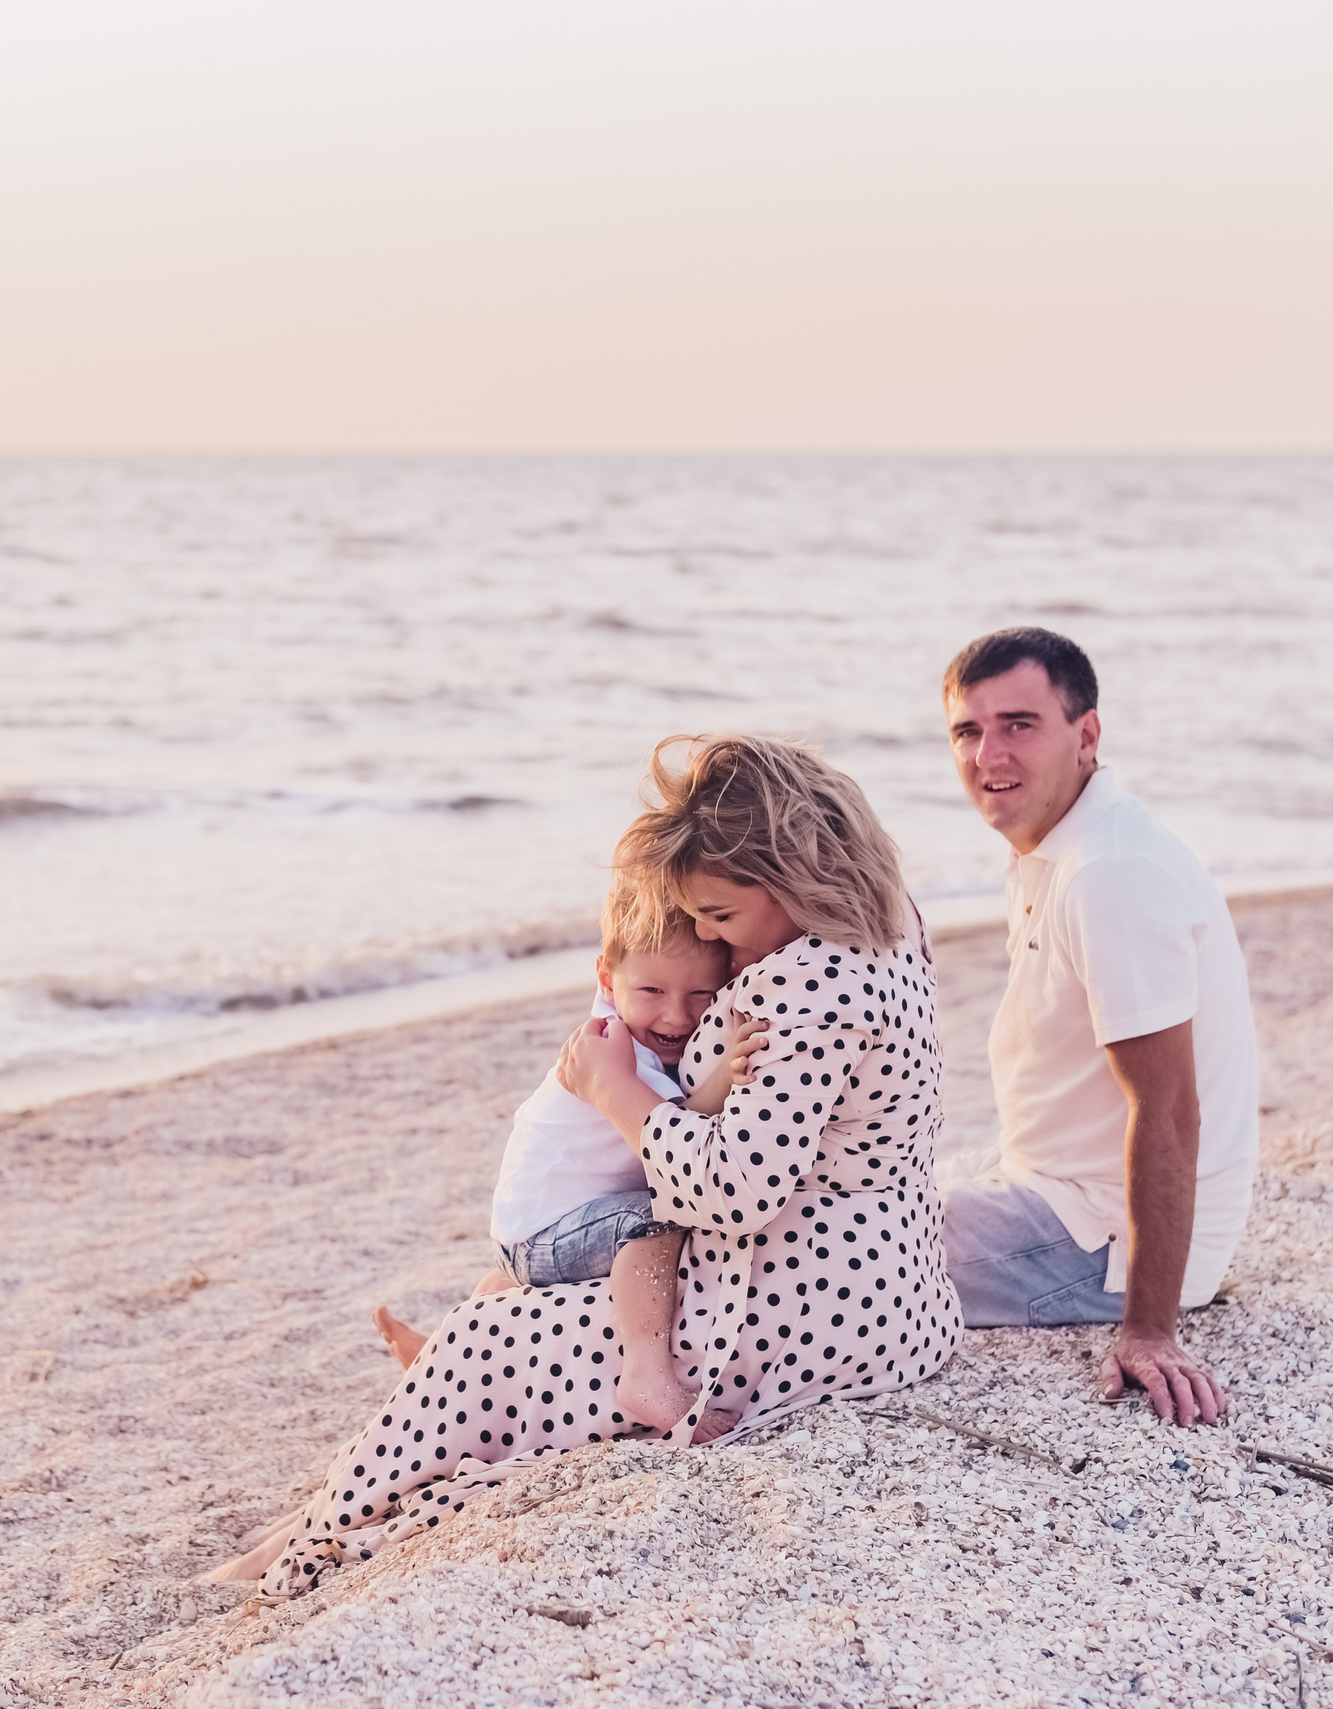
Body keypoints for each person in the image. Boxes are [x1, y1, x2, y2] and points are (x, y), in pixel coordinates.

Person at [221, 735, 961, 1596]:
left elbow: (736, 1191)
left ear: (791, 873)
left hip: (801, 1312)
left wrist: (619, 1095)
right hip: (891, 1286)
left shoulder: (801, 985)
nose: (718, 943)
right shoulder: (889, 917)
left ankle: (308, 1546)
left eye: (721, 918)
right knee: (499, 1300)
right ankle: (318, 1517)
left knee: (476, 1344)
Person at [938, 627, 1257, 1428]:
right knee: (836, 1196)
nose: (987, 755)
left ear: (1086, 735)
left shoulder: (1110, 874)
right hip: (1055, 1189)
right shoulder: (1061, 844)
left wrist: (1149, 1329)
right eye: (967, 731)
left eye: (1018, 724)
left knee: (814, 1242)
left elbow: (1169, 1108)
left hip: (1097, 1242)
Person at [371, 884, 766, 1436]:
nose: (676, 1016)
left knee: (504, 1292)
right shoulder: (613, 1051)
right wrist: (727, 1071)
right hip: (545, 1233)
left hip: (532, 1227)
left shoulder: (634, 1024)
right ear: (607, 978)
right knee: (656, 1217)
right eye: (651, 989)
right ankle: (648, 1376)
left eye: (702, 995)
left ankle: (438, 1361)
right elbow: (678, 1138)